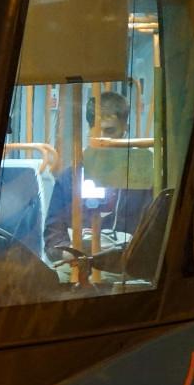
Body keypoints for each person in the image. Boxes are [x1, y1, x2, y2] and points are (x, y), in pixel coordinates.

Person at [43, 89, 150, 261]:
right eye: (97, 131)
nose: (102, 139)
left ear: (125, 129)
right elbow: (52, 238)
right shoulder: (70, 178)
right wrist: (71, 254)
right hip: (76, 265)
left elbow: (152, 235)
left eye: (110, 131)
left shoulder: (144, 178)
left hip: (125, 266)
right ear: (89, 130)